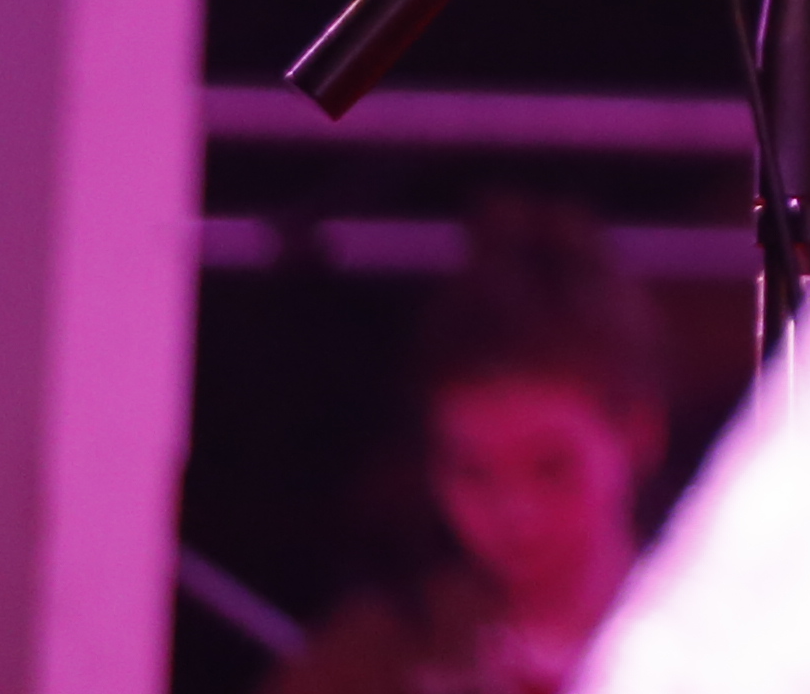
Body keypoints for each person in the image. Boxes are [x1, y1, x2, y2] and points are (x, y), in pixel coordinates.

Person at [269, 197, 674, 694]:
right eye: (473, 473)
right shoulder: (375, 656)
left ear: (639, 435)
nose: (515, 512)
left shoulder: (724, 635)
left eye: (552, 469)